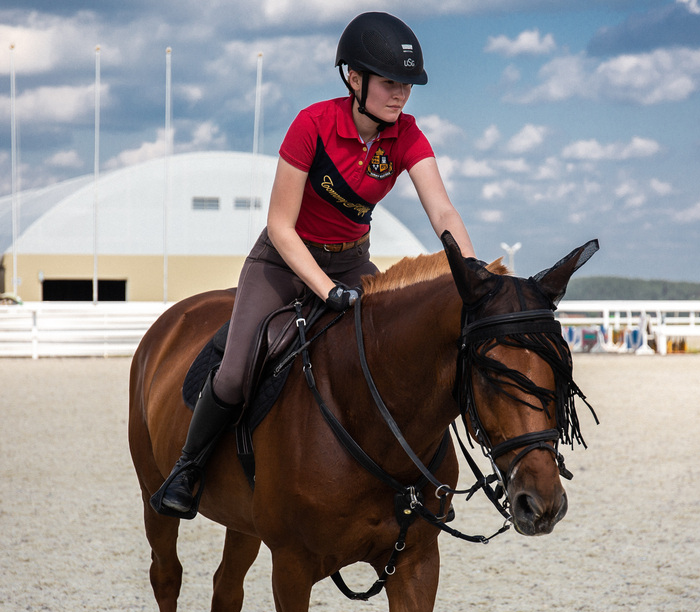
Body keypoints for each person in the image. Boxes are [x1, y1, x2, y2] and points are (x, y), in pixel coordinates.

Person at [154, 11, 477, 517]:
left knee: (394, 354)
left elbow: (442, 210)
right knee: (237, 373)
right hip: (282, 261)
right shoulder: (313, 124)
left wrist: (472, 279)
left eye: (407, 86)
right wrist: (325, 290)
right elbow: (281, 226)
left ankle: (410, 480)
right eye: (390, 82)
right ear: (354, 78)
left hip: (353, 264)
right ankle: (187, 469)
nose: (400, 95)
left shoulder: (407, 136)